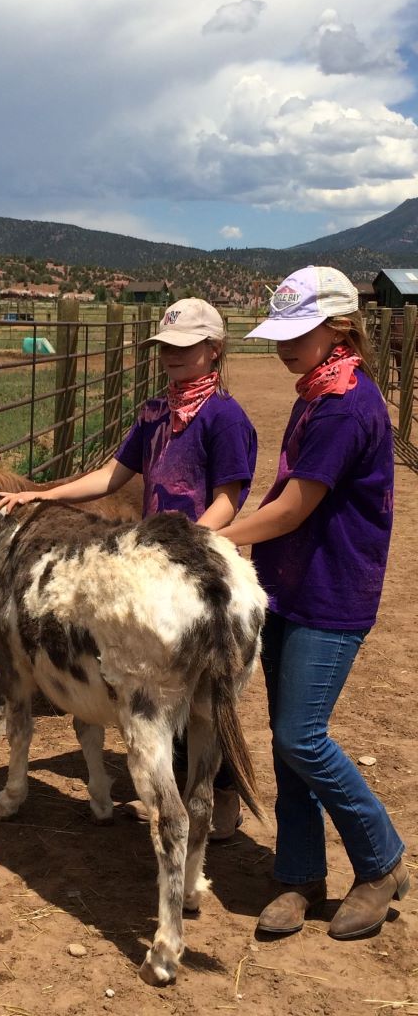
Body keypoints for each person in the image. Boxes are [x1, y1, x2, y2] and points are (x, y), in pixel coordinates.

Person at [0, 297, 257, 839]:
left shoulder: (226, 418)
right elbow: (113, 476)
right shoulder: (155, 413)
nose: (171, 357)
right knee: (166, 688)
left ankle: (220, 792)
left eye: (184, 348)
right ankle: (190, 793)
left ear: (214, 350)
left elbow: (230, 498)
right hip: (153, 568)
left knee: (203, 694)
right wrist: (43, 495)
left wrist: (187, 550)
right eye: (165, 348)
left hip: (191, 563)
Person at [220, 265, 408, 939]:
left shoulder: (346, 405)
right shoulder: (314, 394)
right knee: (287, 738)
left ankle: (381, 859)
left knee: (302, 735)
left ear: (339, 327)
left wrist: (213, 536)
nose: (284, 344)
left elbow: (298, 504)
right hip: (291, 587)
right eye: (280, 332)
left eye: (298, 331)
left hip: (331, 592)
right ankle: (300, 872)